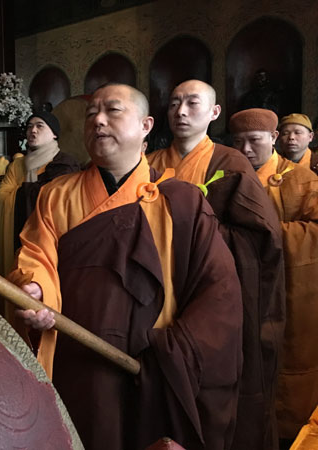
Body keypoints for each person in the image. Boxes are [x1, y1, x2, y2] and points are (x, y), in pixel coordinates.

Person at [8, 83, 243, 450]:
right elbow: (36, 256)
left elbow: (219, 293)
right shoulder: (56, 194)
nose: (98, 120)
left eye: (113, 111)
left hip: (151, 369)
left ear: (146, 125)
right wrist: (37, 291)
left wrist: (175, 351)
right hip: (77, 359)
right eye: (90, 114)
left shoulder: (179, 202)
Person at [147, 79, 285, 450]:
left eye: (192, 103)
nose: (180, 111)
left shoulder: (230, 162)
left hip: (214, 297)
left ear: (214, 112)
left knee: (215, 392)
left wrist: (203, 236)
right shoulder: (150, 163)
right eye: (174, 103)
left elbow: (262, 236)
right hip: (158, 293)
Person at [230, 108, 318, 444]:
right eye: (238, 142)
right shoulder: (227, 175)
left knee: (287, 376)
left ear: (273, 139)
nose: (246, 150)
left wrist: (266, 236)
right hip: (242, 292)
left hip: (291, 294)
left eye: (254, 141)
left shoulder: (300, 180)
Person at [0, 111, 79, 278]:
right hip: (17, 236)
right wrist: (29, 190)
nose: (33, 131)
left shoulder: (64, 164)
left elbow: (55, 200)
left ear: (54, 134)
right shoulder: (17, 165)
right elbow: (2, 194)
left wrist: (22, 190)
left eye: (40, 126)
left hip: (50, 241)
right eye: (29, 127)